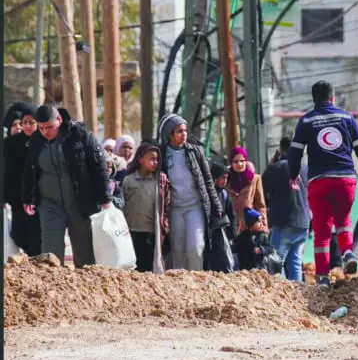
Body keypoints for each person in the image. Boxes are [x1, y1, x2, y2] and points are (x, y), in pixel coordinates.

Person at [287, 80, 358, 286]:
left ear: (313, 99)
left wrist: (293, 175)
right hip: (346, 178)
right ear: (332, 97)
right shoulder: (347, 118)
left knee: (322, 230)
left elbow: (295, 153)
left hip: (319, 180)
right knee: (343, 217)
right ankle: (347, 252)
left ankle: (322, 278)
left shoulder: (307, 121)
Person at [22, 105, 111, 267]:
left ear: (59, 120)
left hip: (79, 201)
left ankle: (84, 286)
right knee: (50, 252)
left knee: (84, 251)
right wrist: (28, 197)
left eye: (50, 127)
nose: (45, 132)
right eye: (41, 128)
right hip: (49, 203)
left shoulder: (79, 135)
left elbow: (99, 165)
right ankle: (51, 286)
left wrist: (104, 197)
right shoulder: (35, 141)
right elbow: (30, 170)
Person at [157, 113, 223, 271]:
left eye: (185, 130)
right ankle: (180, 285)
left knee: (196, 247)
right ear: (170, 134)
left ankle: (197, 281)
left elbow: (207, 180)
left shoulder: (195, 152)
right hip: (174, 209)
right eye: (179, 131)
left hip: (195, 207)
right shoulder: (162, 154)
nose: (184, 134)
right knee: (177, 250)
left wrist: (216, 206)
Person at [262, 136, 311, 282]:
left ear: (281, 149)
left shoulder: (276, 168)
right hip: (303, 221)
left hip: (283, 220)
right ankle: (296, 293)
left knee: (276, 261)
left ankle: (280, 294)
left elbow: (262, 190)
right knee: (295, 262)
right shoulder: (306, 169)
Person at [120, 141, 170, 272]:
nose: (155, 162)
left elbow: (166, 205)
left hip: (150, 232)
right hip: (130, 231)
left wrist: (164, 225)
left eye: (157, 159)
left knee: (146, 269)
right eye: (152, 159)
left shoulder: (159, 182)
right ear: (141, 159)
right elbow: (121, 204)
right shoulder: (129, 180)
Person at [4, 102, 41, 256]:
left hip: (39, 198)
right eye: (22, 123)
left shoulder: (42, 141)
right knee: (18, 234)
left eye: (29, 122)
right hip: (18, 199)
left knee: (35, 238)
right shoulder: (11, 144)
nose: (24, 126)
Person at [227, 147, 267, 234]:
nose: (240, 164)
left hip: (251, 228)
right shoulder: (226, 181)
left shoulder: (255, 179)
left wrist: (263, 226)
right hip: (231, 229)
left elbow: (260, 205)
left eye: (242, 160)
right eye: (236, 161)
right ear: (231, 163)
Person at [233, 208, 280, 273]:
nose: (261, 223)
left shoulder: (262, 235)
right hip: (245, 268)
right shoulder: (243, 236)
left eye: (261, 221)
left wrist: (262, 250)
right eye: (259, 221)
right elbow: (236, 248)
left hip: (260, 267)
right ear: (251, 224)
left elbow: (270, 248)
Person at [210, 159, 236, 242]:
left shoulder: (224, 194)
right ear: (215, 177)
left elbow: (231, 214)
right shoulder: (207, 193)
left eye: (226, 178)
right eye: (223, 178)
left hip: (221, 234)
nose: (225, 181)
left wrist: (232, 234)